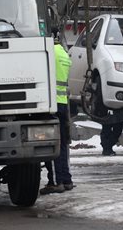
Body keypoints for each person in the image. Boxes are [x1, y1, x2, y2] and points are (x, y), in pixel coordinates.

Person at [40, 30, 74, 194]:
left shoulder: (49, 53)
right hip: (62, 104)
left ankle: (55, 181)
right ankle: (66, 179)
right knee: (63, 144)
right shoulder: (63, 53)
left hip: (51, 104)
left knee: (52, 144)